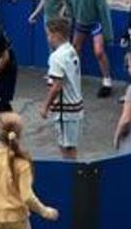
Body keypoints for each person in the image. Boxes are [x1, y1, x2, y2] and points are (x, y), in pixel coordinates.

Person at [0, 112, 59, 228]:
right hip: (18, 220)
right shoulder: (22, 162)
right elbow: (27, 197)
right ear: (19, 134)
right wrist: (45, 212)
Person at [65, 0, 114, 98]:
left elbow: (103, 11)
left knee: (98, 51)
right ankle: (73, 76)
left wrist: (107, 33)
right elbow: (68, 1)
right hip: (81, 22)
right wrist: (69, 15)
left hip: (95, 23)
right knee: (75, 49)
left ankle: (107, 80)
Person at [40, 18, 83, 160]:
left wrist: (45, 106)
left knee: (66, 149)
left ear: (56, 35)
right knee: (71, 146)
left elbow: (57, 86)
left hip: (66, 110)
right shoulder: (71, 50)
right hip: (76, 106)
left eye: (48, 34)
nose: (47, 38)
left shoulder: (56, 57)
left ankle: (71, 178)